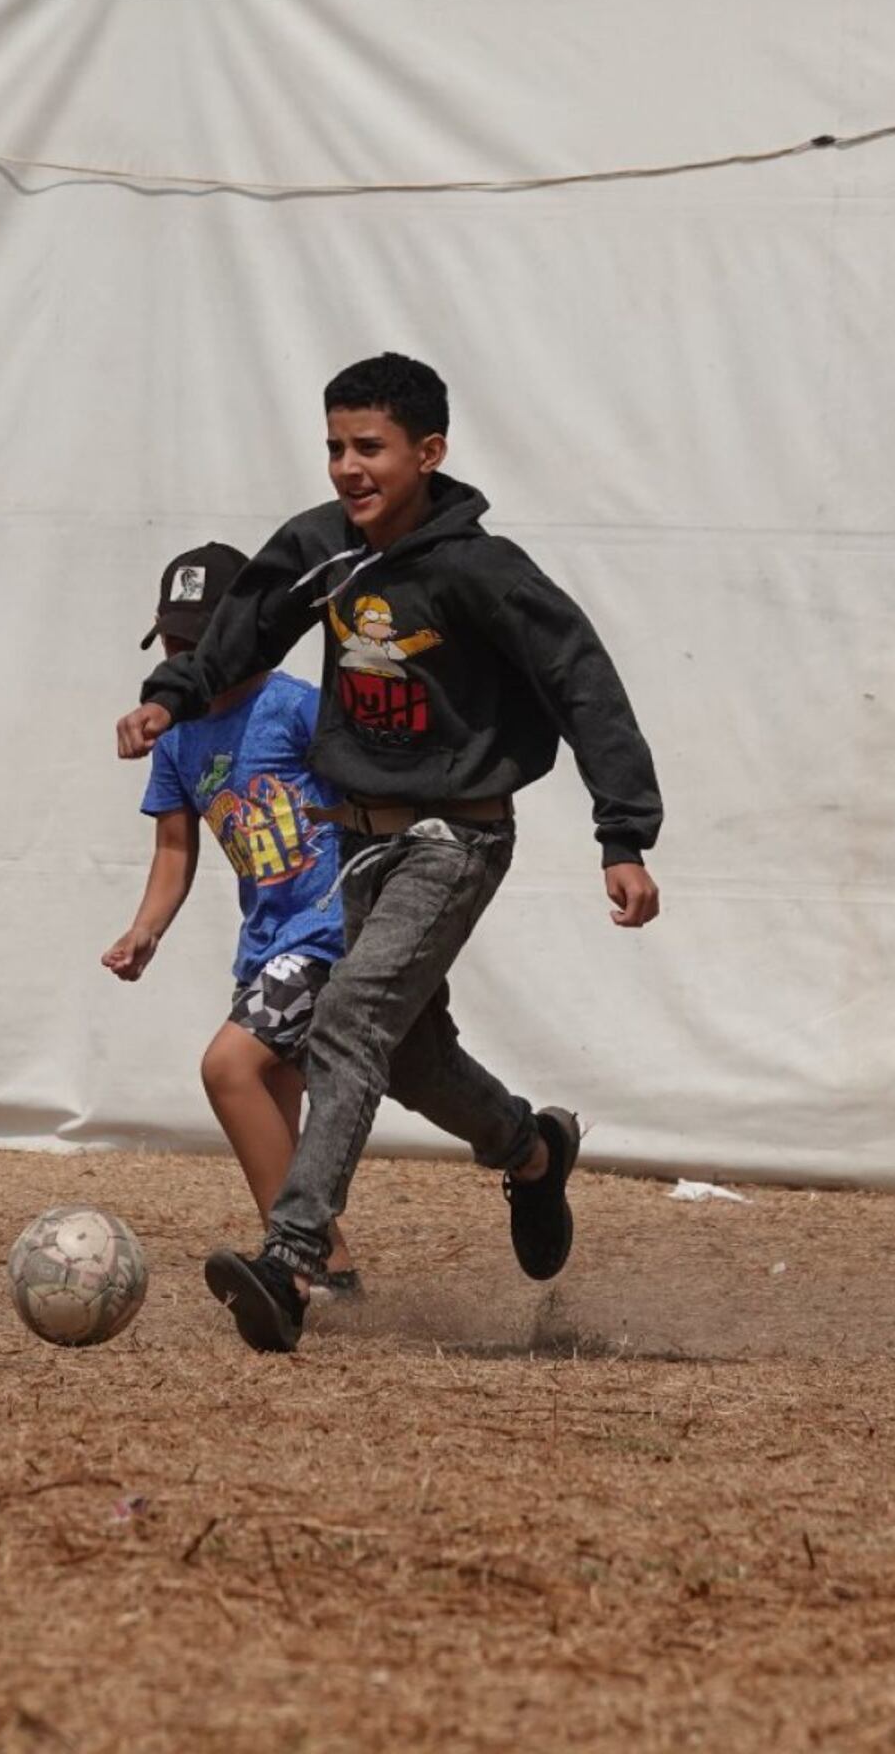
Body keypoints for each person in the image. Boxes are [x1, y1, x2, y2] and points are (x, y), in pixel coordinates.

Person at [115, 354, 663, 1351]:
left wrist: (622, 833)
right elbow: (246, 629)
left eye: (370, 448)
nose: (347, 468)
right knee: (409, 1058)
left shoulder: (482, 571)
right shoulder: (324, 550)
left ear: (430, 452)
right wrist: (172, 698)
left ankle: (291, 1259)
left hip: (457, 839)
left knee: (350, 1018)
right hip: (360, 843)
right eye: (335, 446)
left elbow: (582, 682)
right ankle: (532, 1151)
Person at [103, 543, 360, 1291]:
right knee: (270, 1108)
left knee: (228, 1068)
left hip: (326, 929)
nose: (187, 660)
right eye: (174, 643)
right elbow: (174, 854)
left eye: (202, 643)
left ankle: (305, 1261)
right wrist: (142, 931)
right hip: (266, 943)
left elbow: (371, 793)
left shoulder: (295, 707)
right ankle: (329, 1273)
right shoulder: (176, 736)